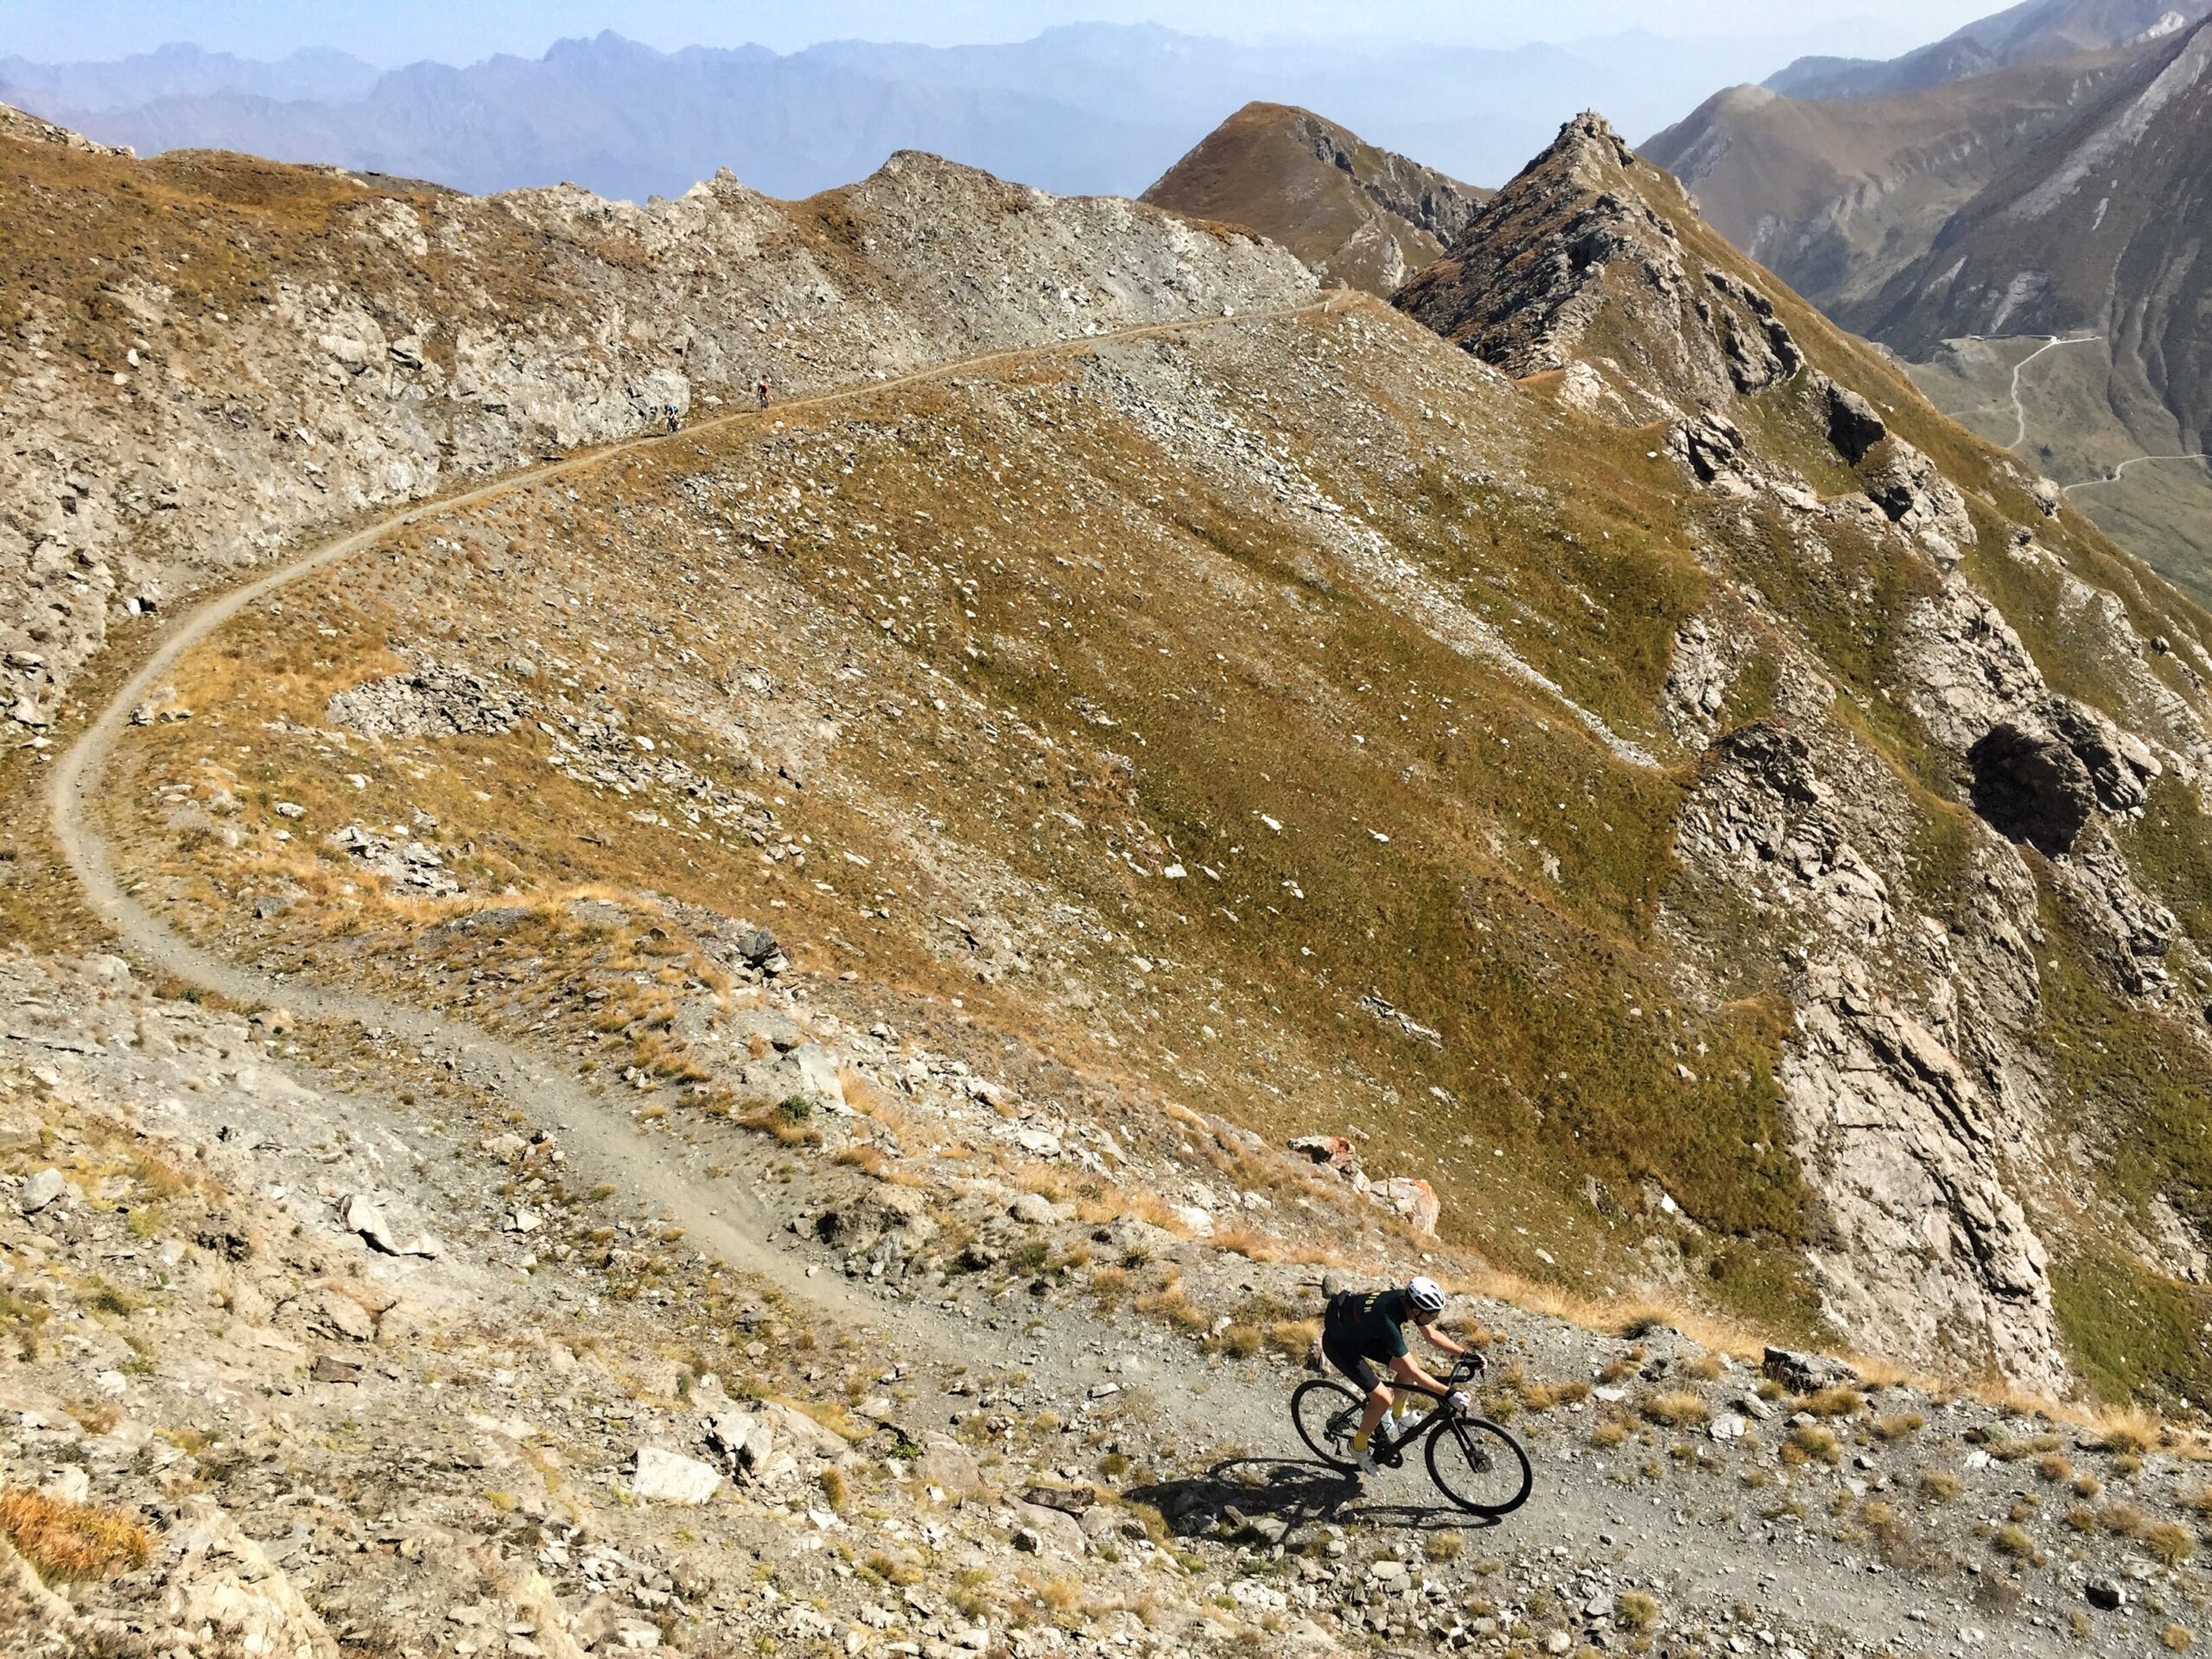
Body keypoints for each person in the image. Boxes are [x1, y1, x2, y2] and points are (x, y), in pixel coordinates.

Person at [1322, 1275, 1480, 1476]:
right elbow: (1414, 1371)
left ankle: (1398, 1416)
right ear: (1416, 1310)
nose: (1436, 1317)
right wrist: (1448, 1393)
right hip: (1341, 1344)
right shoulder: (1387, 1319)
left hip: (1364, 1335)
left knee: (1407, 1368)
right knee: (1382, 1399)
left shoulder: (1405, 1301)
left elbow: (1431, 1336)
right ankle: (1358, 1446)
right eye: (1433, 1314)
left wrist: (1465, 1355)